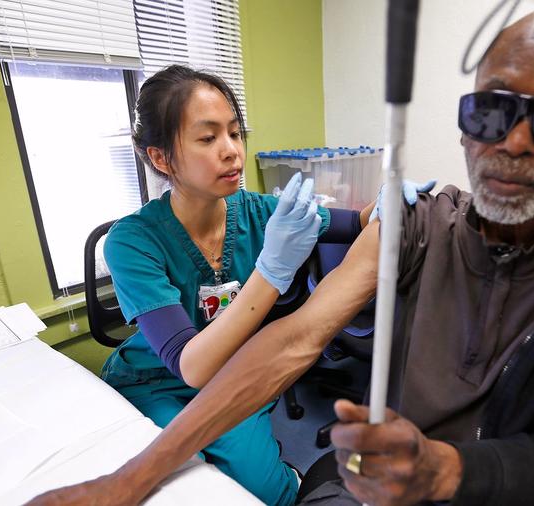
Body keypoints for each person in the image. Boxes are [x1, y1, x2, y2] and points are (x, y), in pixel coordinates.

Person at [29, 6, 534, 506]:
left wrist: (445, 470)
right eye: (492, 111)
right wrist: (127, 481)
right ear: (464, 119)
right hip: (354, 470)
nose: (515, 142)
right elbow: (294, 339)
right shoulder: (421, 230)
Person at [94, 65, 432, 506]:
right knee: (183, 485)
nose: (232, 151)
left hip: (236, 375)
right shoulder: (132, 241)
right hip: (156, 381)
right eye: (208, 137)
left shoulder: (258, 211)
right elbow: (190, 366)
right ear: (161, 158)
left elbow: (356, 222)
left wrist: (385, 199)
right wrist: (270, 272)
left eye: (235, 133)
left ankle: (283, 474)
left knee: (268, 494)